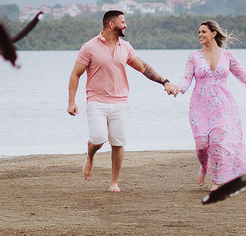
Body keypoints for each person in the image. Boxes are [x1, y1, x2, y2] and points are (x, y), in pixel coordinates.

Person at [68, 10, 180, 191]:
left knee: (118, 142)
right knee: (98, 139)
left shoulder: (125, 47)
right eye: (123, 22)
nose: (126, 25)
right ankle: (90, 156)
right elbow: (75, 74)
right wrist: (71, 101)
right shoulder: (89, 47)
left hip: (120, 101)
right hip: (96, 101)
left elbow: (144, 68)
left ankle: (114, 182)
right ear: (111, 24)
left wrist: (165, 82)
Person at [177, 20, 246, 191]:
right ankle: (203, 167)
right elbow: (186, 79)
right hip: (199, 107)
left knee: (216, 143)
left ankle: (215, 182)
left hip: (223, 107)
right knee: (201, 145)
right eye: (199, 32)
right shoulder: (193, 57)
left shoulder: (228, 56)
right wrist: (177, 88)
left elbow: (244, 76)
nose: (200, 35)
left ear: (213, 33)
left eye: (203, 32)